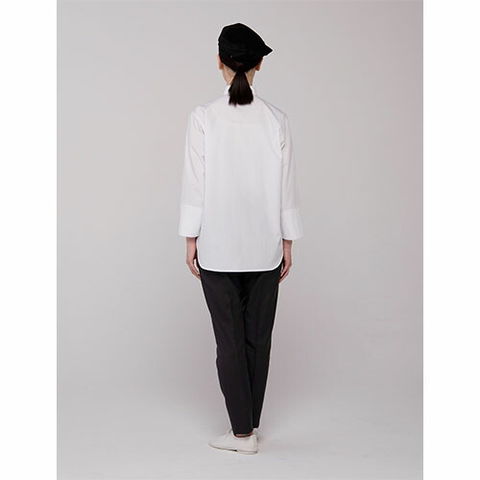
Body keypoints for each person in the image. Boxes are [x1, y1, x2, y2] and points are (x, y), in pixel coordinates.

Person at [177, 22, 304, 454]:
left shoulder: (203, 117)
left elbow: (195, 182)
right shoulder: (276, 120)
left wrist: (190, 237)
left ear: (219, 62)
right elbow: (286, 186)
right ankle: (249, 426)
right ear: (259, 65)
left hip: (217, 246)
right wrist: (288, 240)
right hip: (265, 246)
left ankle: (241, 433)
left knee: (229, 341)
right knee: (258, 340)